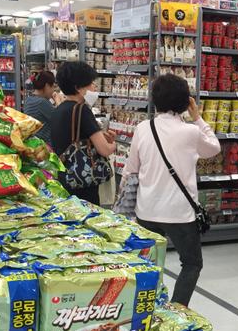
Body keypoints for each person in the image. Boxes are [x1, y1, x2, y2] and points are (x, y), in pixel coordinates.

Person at [123, 74, 221, 306]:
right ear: (186, 101)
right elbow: (214, 148)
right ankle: (177, 310)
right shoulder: (190, 132)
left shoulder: (143, 128)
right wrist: (197, 118)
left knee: (146, 263)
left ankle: (146, 307)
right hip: (180, 213)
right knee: (192, 263)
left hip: (146, 210)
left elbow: (131, 170)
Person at [51, 61, 116, 205]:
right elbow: (104, 150)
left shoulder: (58, 110)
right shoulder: (82, 111)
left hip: (64, 178)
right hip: (83, 183)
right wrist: (113, 145)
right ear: (78, 88)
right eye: (90, 83)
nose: (94, 87)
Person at [23, 71, 63, 146]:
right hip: (44, 146)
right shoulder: (42, 102)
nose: (53, 90)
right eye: (53, 87)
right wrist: (58, 101)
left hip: (32, 143)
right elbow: (60, 120)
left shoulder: (29, 100)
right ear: (47, 86)